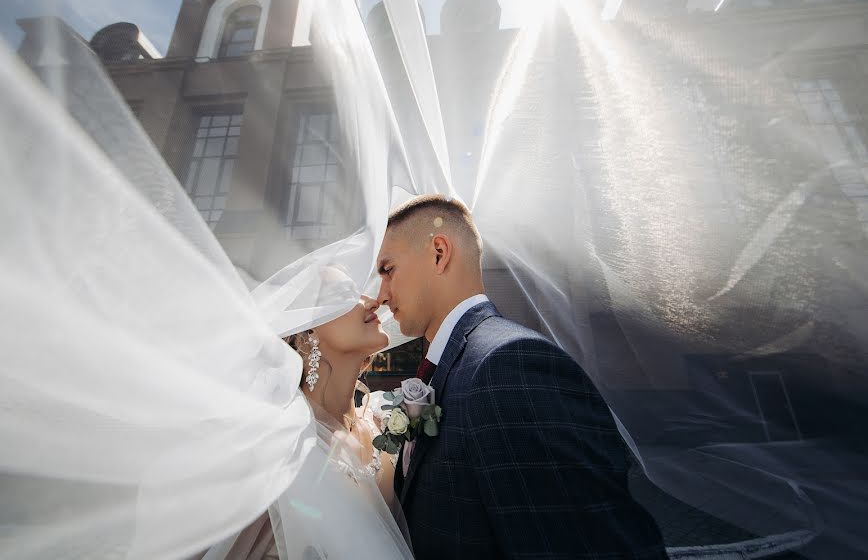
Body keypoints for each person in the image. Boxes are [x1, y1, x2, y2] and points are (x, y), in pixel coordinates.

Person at [377, 194, 668, 560]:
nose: (382, 294)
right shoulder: (454, 367)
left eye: (388, 269)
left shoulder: (507, 365)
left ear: (438, 252)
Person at [193, 266, 412, 560]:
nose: (372, 301)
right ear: (307, 329)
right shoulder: (277, 452)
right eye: (343, 296)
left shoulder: (383, 424)